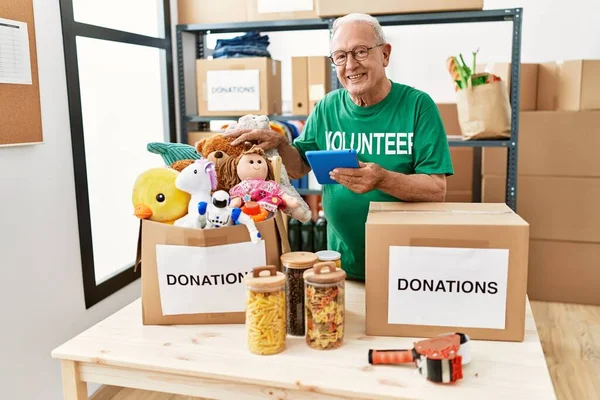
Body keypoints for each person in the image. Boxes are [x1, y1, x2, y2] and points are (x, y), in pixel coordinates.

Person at [225, 13, 454, 281]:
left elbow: (436, 190)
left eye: (360, 51)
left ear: (385, 55)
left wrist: (382, 179)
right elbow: (298, 167)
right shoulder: (327, 107)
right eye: (341, 56)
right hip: (339, 266)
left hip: (404, 270)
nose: (351, 65)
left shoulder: (418, 106)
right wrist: (280, 144)